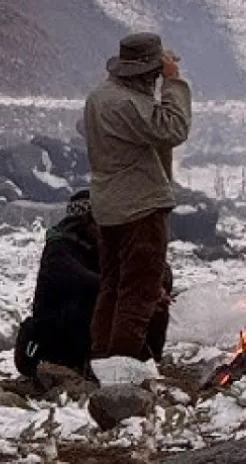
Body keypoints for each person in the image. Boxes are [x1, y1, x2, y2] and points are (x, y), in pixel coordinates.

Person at [83, 32, 191, 361]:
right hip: (139, 208)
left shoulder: (101, 95)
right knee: (139, 293)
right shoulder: (128, 103)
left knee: (113, 287)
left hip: (108, 206)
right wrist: (174, 84)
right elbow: (173, 129)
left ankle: (103, 361)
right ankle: (121, 371)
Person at [15, 190, 174, 377]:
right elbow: (79, 281)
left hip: (87, 331)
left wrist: (154, 286)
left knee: (151, 304)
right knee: (99, 301)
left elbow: (157, 268)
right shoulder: (59, 249)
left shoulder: (108, 245)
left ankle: (143, 362)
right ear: (85, 221)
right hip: (58, 336)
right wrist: (133, 288)